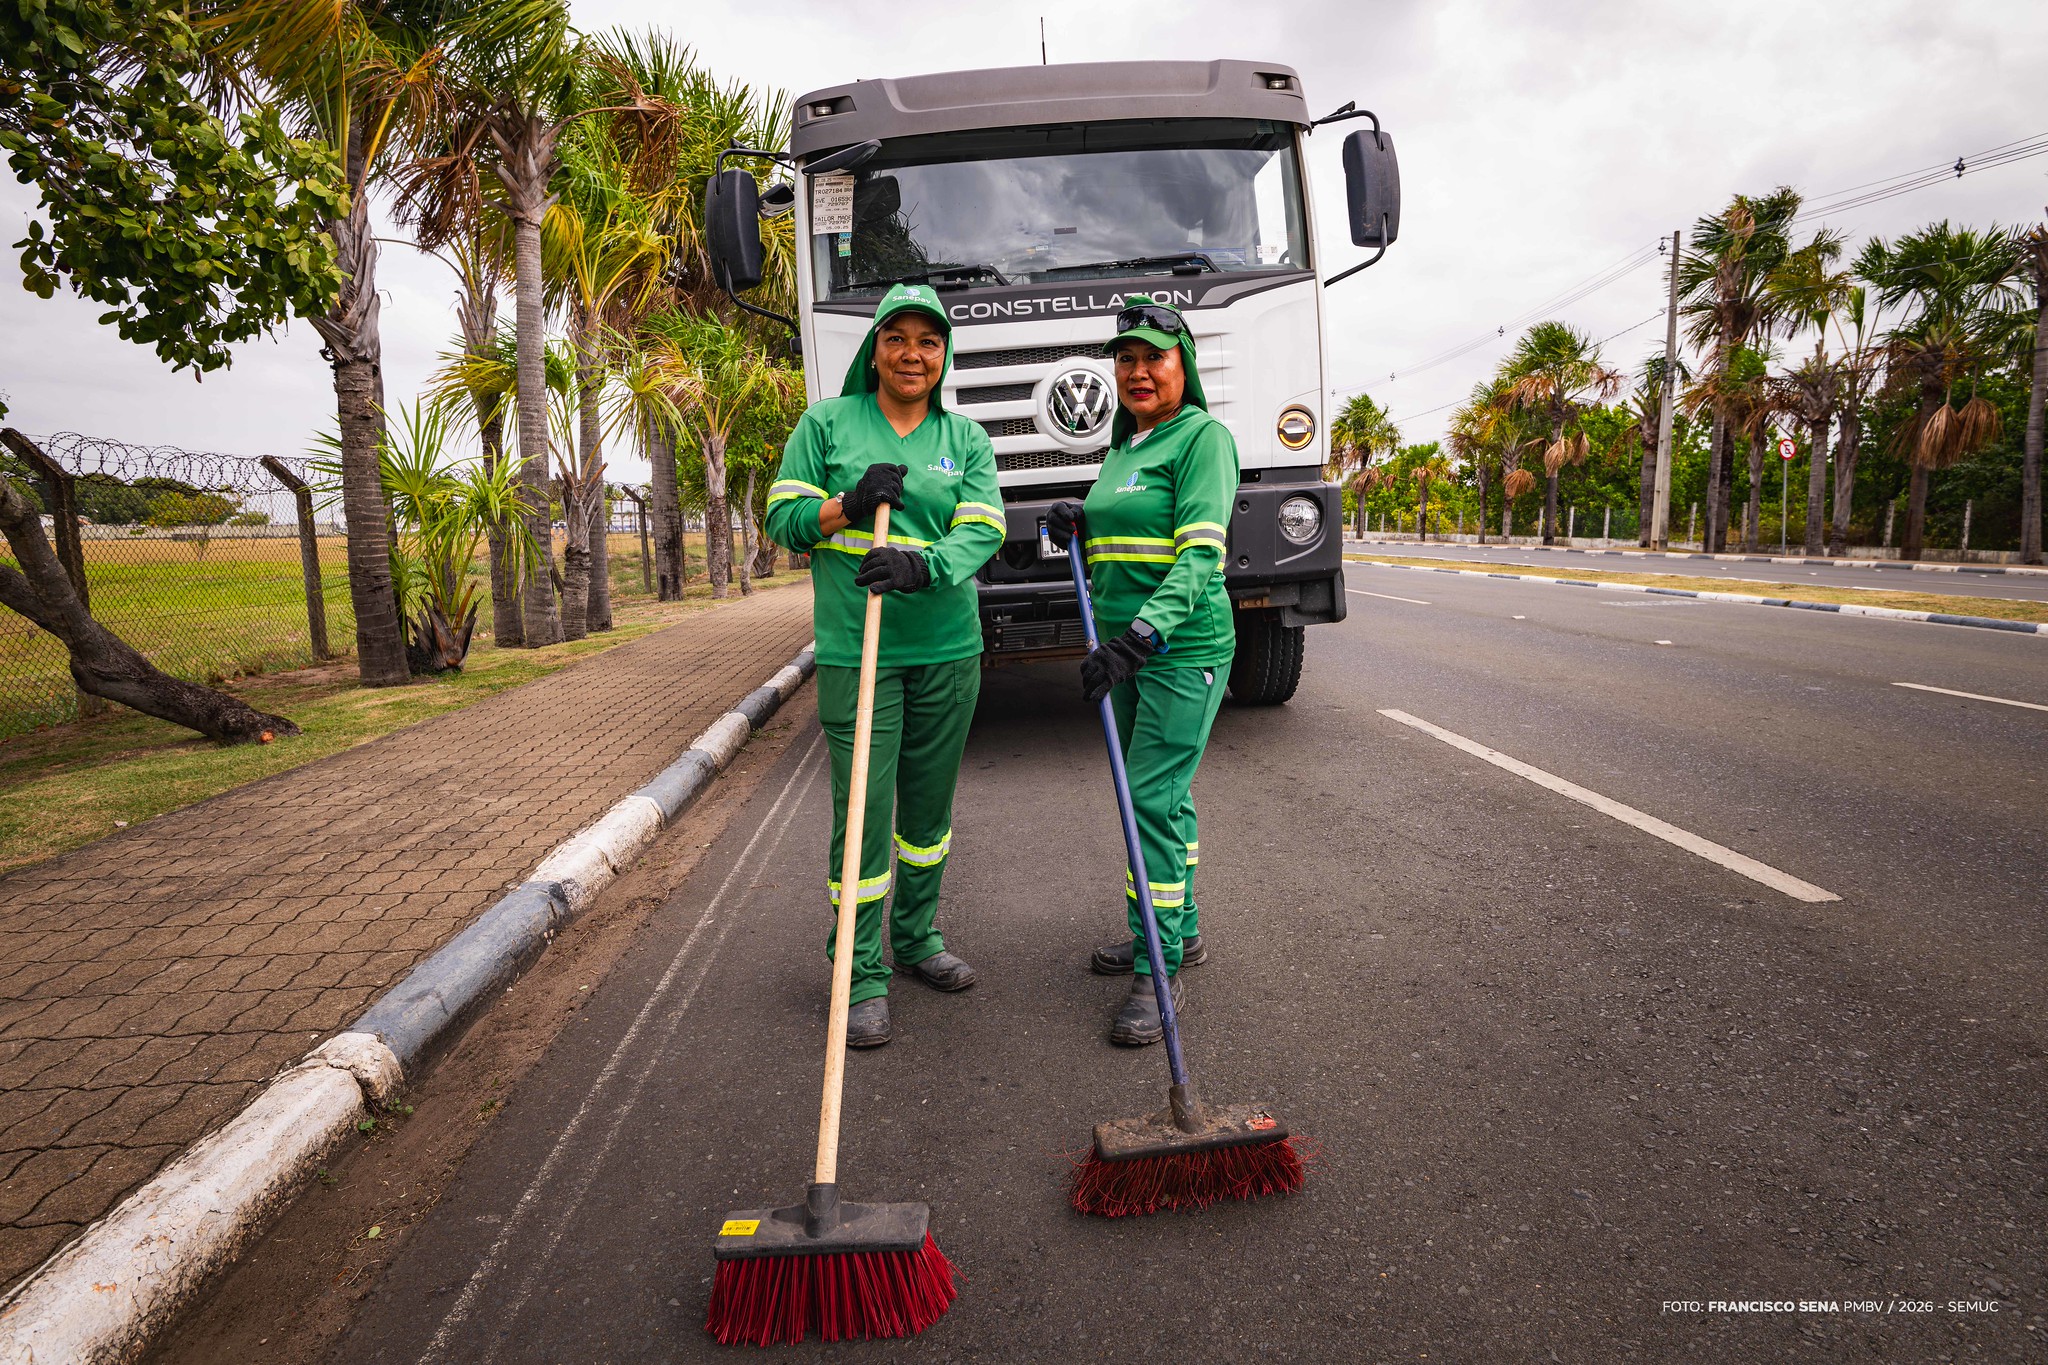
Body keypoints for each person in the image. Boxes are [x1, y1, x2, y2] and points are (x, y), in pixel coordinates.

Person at [764, 284, 1006, 1048]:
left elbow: (985, 528)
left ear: (944, 355)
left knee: (927, 820)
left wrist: (920, 566)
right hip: (857, 650)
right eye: (896, 337)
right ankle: (859, 971)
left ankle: (917, 936)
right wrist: (846, 501)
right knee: (863, 813)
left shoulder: (965, 439)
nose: (912, 353)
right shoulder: (826, 424)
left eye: (927, 341)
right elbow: (782, 519)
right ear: (874, 347)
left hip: (947, 650)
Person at [1047, 296, 1238, 1046]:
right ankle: (1177, 928)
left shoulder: (1203, 438)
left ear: (1182, 363)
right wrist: (1081, 520)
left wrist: (1140, 637)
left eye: (1153, 356)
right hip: (1129, 647)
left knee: (1149, 799)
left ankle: (1156, 969)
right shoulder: (1128, 446)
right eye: (1124, 359)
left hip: (1179, 646)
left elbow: (1198, 555)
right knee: (1162, 796)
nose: (1137, 371)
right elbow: (1133, 528)